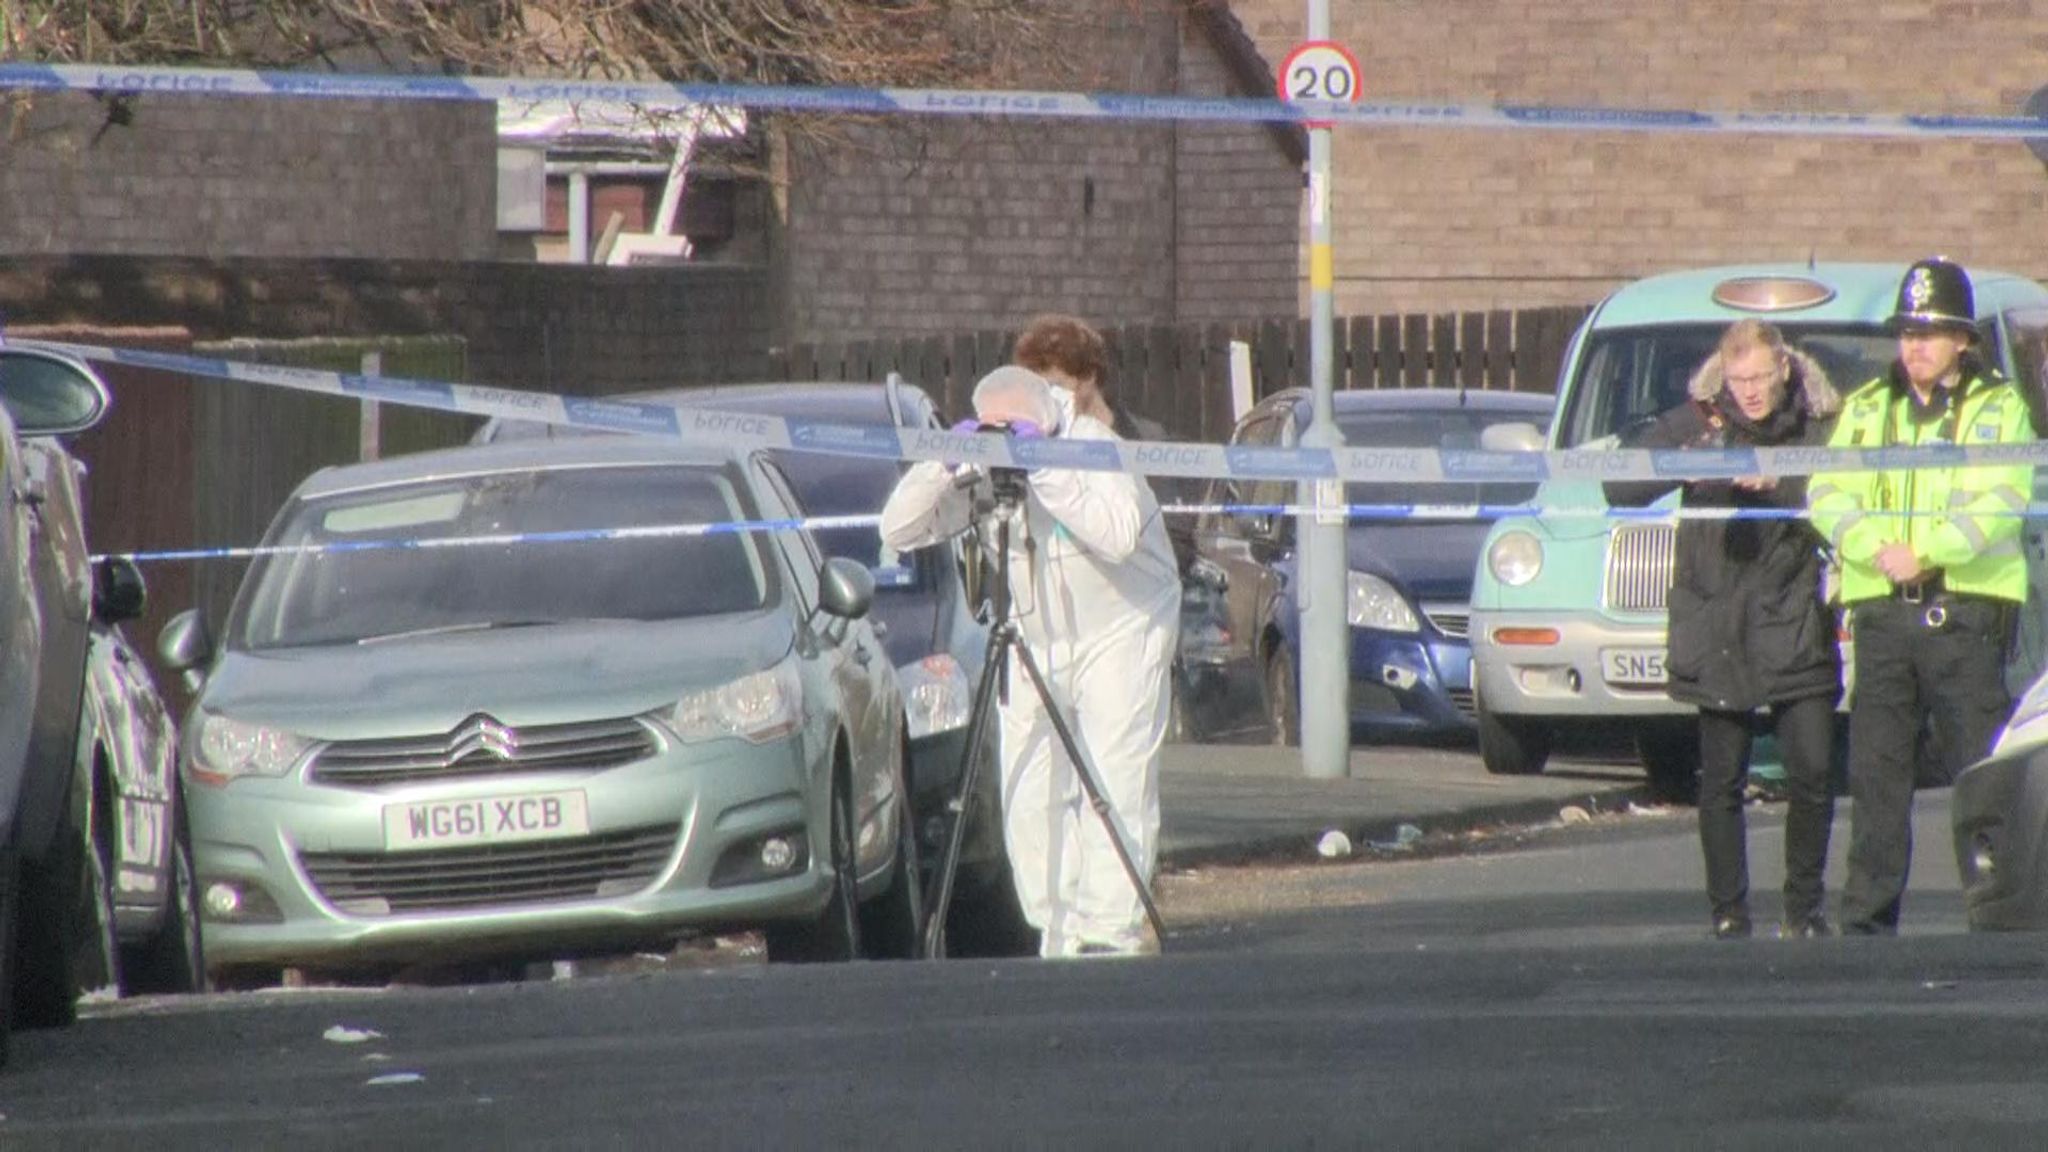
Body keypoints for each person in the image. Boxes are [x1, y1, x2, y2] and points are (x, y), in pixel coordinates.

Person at [880, 365, 1181, 957]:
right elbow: (900, 528)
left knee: (1115, 777)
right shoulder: (985, 461)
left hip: (1121, 628)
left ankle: (1109, 932)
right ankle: (1056, 927)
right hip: (1035, 636)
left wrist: (1045, 469)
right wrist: (944, 459)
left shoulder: (1094, 448)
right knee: (1028, 791)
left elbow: (1118, 535)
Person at [1808, 257, 2035, 936]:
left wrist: (1926, 551)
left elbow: (2000, 503)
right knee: (1877, 775)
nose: (1915, 345)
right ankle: (1868, 922)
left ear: (1963, 339)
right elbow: (1826, 492)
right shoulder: (1868, 408)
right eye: (1908, 332)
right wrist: (1879, 548)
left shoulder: (1997, 409)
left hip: (1963, 614)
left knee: (1982, 777)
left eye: (1931, 333)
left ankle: (2000, 915)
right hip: (1882, 610)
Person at [1605, 320, 1843, 940]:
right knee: (1723, 779)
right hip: (1719, 619)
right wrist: (1682, 463)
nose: (1750, 391)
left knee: (1814, 770)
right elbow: (1619, 484)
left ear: (1784, 368)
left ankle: (1804, 908)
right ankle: (1729, 913)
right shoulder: (1699, 418)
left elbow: (1846, 499)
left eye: (1761, 377)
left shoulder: (1819, 422)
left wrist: (1783, 482)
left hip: (1792, 613)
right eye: (1739, 380)